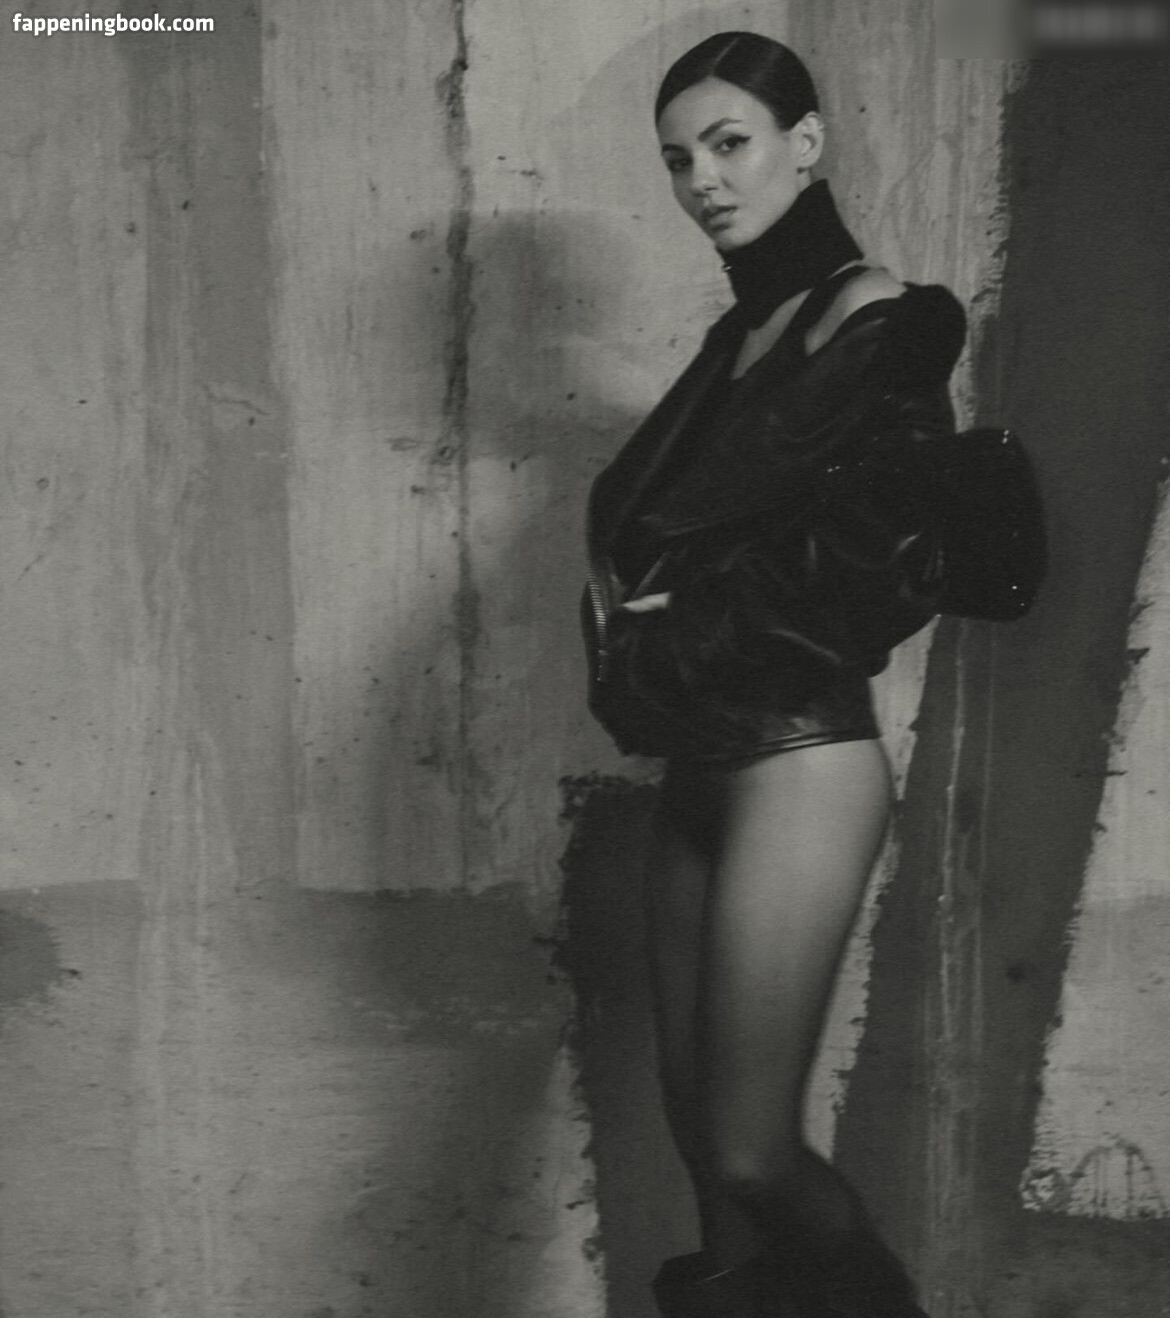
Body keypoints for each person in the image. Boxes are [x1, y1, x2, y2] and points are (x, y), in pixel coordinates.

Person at [581, 31, 970, 1318]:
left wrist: (686, 615)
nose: (702, 179)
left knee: (754, 1151)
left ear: (805, 145)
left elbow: (883, 564)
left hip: (800, 759)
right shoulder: (739, 339)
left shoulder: (878, 319)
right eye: (677, 159)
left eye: (729, 143)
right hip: (702, 767)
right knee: (710, 1164)